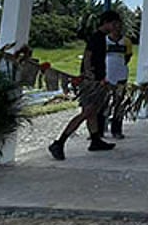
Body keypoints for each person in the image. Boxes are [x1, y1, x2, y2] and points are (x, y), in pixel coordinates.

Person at [47, 11, 120, 160]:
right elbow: (87, 55)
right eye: (114, 23)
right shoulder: (96, 37)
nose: (116, 27)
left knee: (93, 112)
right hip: (91, 82)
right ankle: (59, 142)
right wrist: (88, 73)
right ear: (106, 22)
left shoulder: (102, 38)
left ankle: (95, 140)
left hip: (98, 80)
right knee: (87, 112)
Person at [104, 23, 133, 139]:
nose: (117, 30)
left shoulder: (126, 41)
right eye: (114, 28)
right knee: (103, 102)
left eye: (119, 28)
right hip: (106, 75)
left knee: (119, 103)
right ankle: (100, 128)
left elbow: (128, 56)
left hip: (121, 75)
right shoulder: (104, 41)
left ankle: (116, 129)